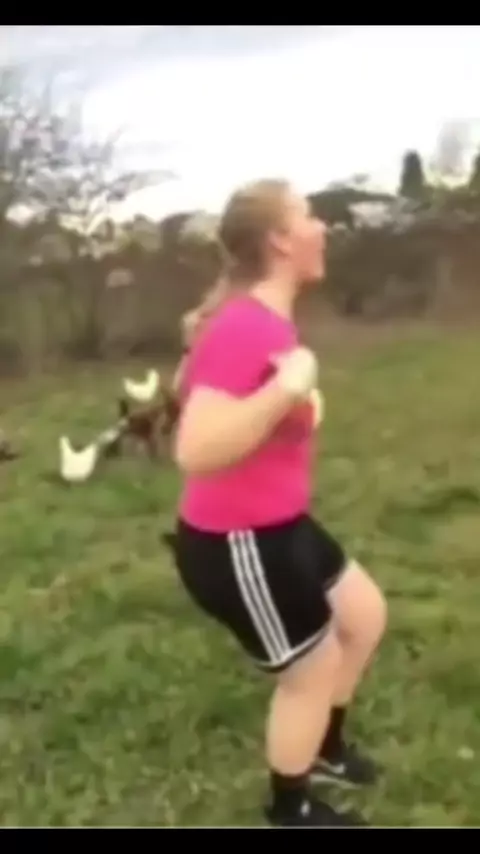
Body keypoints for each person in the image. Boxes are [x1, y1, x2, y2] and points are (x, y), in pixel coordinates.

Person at [171, 179, 387, 827]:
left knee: (364, 616)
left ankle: (323, 747)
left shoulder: (261, 319)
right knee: (312, 670)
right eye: (309, 215)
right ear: (280, 240)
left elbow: (198, 389)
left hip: (281, 522)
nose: (323, 227)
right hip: (238, 541)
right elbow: (196, 448)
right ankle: (291, 809)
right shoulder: (245, 326)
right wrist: (287, 389)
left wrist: (287, 398)